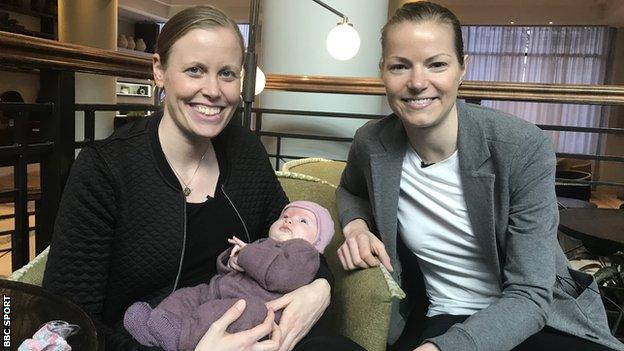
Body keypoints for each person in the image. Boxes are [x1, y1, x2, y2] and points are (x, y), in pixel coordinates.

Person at [42, 5, 357, 351]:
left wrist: (320, 287)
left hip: (256, 327)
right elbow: (68, 319)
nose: (213, 91)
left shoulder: (246, 151)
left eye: (227, 74)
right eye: (195, 70)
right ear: (159, 71)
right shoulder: (105, 169)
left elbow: (293, 237)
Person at [336, 2, 624, 351]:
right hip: (440, 314)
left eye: (437, 64)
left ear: (462, 69)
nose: (416, 82)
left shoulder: (521, 147)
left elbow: (531, 294)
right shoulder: (372, 142)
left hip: (535, 317)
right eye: (400, 66)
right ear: (382, 71)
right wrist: (356, 227)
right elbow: (350, 190)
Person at [124, 201, 334, 351]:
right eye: (284, 217)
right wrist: (231, 260)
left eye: (303, 221)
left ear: (318, 242)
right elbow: (229, 272)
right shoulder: (261, 243)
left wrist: (247, 254)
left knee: (225, 312)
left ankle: (181, 338)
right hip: (216, 290)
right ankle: (155, 324)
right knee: (186, 296)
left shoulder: (304, 253)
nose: (288, 221)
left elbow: (280, 275)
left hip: (255, 309)